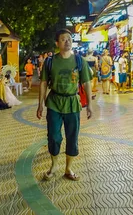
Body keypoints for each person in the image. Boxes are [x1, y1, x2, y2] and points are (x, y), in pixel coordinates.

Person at [37, 29, 92, 182]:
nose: (67, 41)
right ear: (57, 43)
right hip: (54, 102)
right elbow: (43, 84)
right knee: (54, 136)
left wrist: (90, 105)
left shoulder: (80, 61)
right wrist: (40, 104)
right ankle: (54, 166)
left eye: (69, 38)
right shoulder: (50, 62)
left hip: (73, 103)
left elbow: (87, 83)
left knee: (72, 136)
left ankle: (68, 168)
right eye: (63, 39)